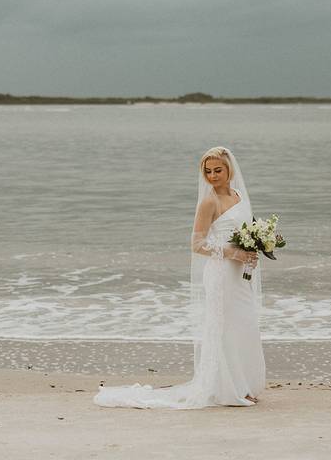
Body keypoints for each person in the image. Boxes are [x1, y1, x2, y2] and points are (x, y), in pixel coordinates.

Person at [94, 146, 265, 409]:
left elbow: (246, 229)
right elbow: (197, 244)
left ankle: (244, 384)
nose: (212, 176)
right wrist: (232, 252)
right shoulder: (209, 201)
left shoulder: (239, 195)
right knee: (224, 330)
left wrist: (254, 246)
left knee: (244, 324)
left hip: (240, 275)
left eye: (217, 170)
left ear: (229, 169)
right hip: (220, 273)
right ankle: (229, 390)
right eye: (207, 171)